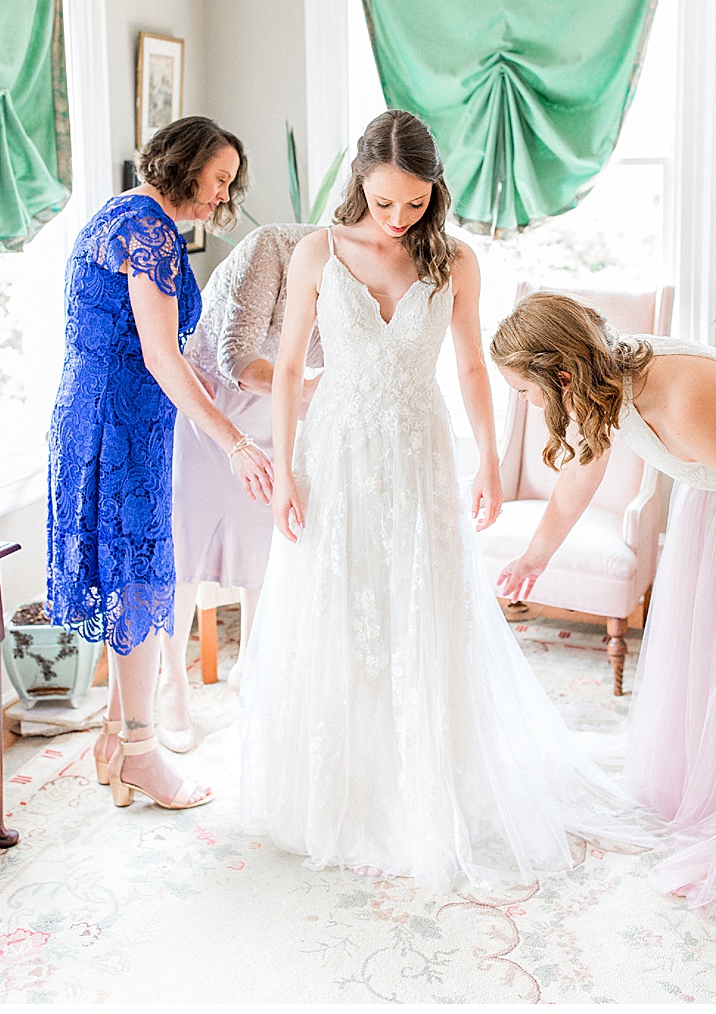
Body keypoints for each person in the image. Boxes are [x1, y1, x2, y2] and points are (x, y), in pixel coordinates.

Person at [240, 109, 641, 889]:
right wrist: (282, 468)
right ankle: (338, 789)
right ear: (360, 181)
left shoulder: (454, 260)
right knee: (340, 605)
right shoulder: (319, 251)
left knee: (419, 606)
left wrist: (488, 458)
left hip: (419, 454)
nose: (398, 217)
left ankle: (424, 786)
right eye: (384, 201)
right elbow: (286, 369)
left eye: (415, 202)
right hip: (337, 453)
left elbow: (469, 368)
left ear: (435, 191)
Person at [491, 292, 716, 923]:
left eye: (524, 391)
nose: (527, 404)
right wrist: (534, 558)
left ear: (562, 375)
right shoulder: (603, 382)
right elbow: (582, 475)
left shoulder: (683, 402)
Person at [47, 116, 266, 810]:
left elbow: (134, 339)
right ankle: (143, 756)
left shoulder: (118, 214)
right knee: (136, 580)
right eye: (219, 179)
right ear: (186, 163)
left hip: (92, 414)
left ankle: (115, 740)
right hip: (120, 425)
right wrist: (234, 441)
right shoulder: (150, 232)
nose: (223, 196)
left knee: (124, 576)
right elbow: (160, 354)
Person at [159, 221, 320, 752]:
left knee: (265, 544)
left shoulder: (372, 269)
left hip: (276, 411)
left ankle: (251, 668)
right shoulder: (271, 246)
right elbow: (235, 357)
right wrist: (308, 388)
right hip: (210, 402)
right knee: (184, 547)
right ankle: (172, 682)